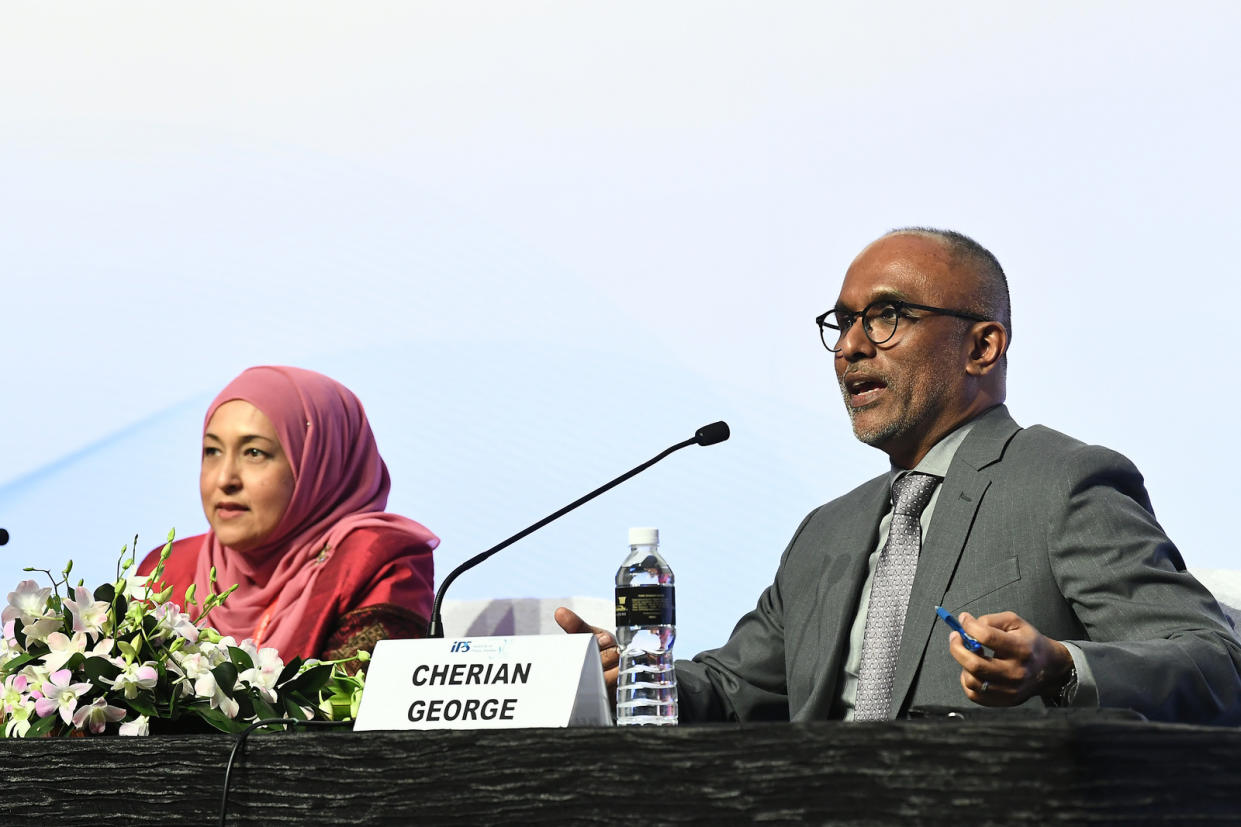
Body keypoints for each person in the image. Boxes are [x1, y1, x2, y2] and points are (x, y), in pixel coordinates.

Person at [557, 228, 1241, 725]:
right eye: (844, 321)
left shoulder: (1062, 484)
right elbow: (735, 687)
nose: (851, 345)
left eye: (886, 316)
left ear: (981, 345)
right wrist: (632, 676)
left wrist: (1060, 666)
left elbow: (1217, 665)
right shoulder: (827, 531)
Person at [138, 365, 437, 664]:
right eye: (212, 451)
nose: (224, 480)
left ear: (320, 465)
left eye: (255, 453)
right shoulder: (167, 568)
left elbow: (355, 705)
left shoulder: (372, 562)